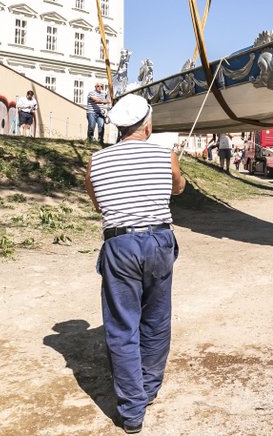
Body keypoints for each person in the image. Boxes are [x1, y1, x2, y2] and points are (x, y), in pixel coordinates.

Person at [84, 94, 185, 434]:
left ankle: (131, 412)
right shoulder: (163, 153)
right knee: (156, 320)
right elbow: (178, 187)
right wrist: (175, 176)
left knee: (122, 326)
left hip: (119, 242)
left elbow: (98, 201)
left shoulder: (97, 161)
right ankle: (149, 388)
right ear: (147, 124)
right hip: (158, 240)